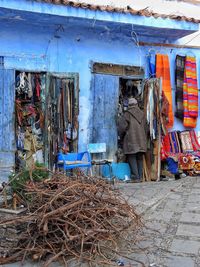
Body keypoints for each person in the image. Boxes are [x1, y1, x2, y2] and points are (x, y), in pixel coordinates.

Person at [118, 97, 147, 182]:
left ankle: (135, 177)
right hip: (142, 140)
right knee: (139, 157)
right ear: (136, 104)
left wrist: (121, 137)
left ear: (129, 105)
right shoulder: (142, 114)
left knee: (132, 157)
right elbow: (146, 128)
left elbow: (122, 128)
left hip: (131, 140)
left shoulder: (127, 114)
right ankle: (141, 177)